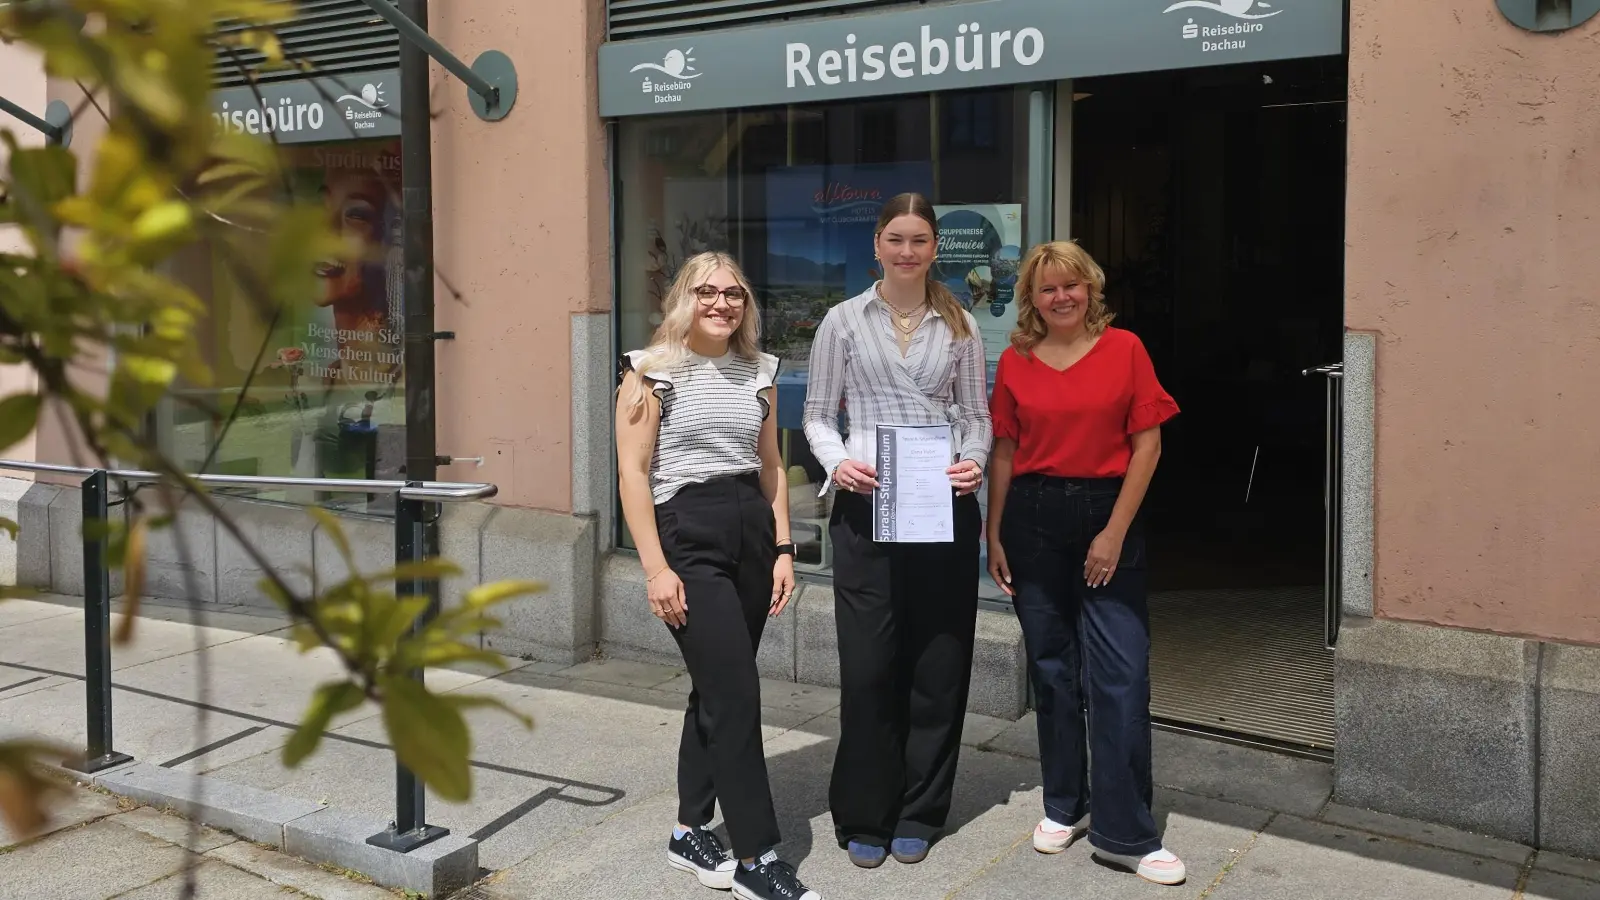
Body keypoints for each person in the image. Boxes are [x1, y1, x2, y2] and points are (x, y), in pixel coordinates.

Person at [614, 251, 822, 900]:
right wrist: (655, 569)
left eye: (734, 295)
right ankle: (757, 859)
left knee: (715, 688)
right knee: (736, 693)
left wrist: (785, 547)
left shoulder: (758, 370)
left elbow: (770, 466)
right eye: (707, 293)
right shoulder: (649, 372)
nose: (722, 305)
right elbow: (631, 474)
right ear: (684, 297)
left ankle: (688, 829)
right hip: (688, 534)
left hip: (752, 535)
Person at [984, 240, 1186, 886]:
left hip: (1107, 511)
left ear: (1090, 290)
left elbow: (1147, 445)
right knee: (1051, 668)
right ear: (1032, 300)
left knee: (1121, 672)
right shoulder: (1015, 361)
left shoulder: (1125, 350)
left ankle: (1127, 831)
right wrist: (994, 535)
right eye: (1048, 289)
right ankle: (1065, 804)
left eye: (1072, 286)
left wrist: (1114, 533)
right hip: (1032, 518)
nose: (1061, 297)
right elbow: (1006, 452)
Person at [802, 193, 991, 869]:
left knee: (938, 666)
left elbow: (976, 415)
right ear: (877, 244)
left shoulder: (961, 322)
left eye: (919, 240)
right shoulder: (843, 322)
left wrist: (974, 461)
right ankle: (864, 814)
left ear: (934, 248)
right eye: (895, 239)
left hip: (940, 507)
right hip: (868, 505)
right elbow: (819, 415)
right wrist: (838, 462)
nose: (907, 251)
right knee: (869, 668)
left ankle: (919, 809)